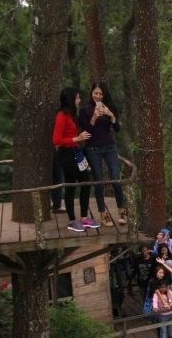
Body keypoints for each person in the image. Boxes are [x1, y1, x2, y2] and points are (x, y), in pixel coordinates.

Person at [52, 87, 100, 232]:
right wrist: (76, 138)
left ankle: (84, 218)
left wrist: (93, 118)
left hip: (77, 153)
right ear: (71, 100)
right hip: (66, 155)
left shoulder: (72, 115)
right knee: (71, 186)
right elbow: (56, 139)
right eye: (77, 98)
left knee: (85, 183)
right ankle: (72, 220)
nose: (79, 101)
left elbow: (82, 130)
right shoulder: (61, 116)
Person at [79, 82, 125, 227]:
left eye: (100, 94)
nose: (97, 96)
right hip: (93, 149)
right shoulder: (85, 110)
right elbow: (86, 131)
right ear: (91, 93)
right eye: (95, 93)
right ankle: (103, 213)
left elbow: (117, 129)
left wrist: (111, 115)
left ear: (104, 95)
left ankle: (121, 210)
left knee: (116, 178)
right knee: (99, 181)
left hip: (110, 147)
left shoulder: (109, 107)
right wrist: (93, 117)